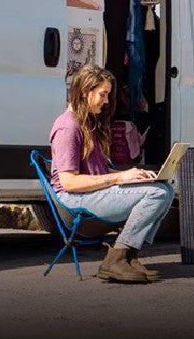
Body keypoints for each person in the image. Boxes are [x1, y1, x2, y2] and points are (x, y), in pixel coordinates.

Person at [49, 64, 174, 283]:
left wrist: (131, 174)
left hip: (93, 193)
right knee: (156, 194)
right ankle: (116, 259)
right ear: (85, 91)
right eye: (102, 95)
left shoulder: (85, 123)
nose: (106, 101)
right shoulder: (68, 128)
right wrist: (118, 177)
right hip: (75, 202)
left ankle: (129, 255)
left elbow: (98, 171)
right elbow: (68, 182)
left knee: (166, 188)